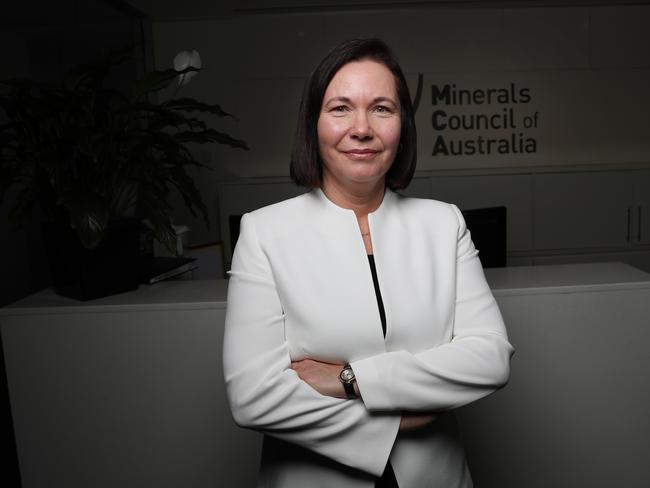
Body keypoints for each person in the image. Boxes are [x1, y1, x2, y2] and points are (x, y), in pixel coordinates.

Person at [223, 38, 514, 488]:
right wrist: (399, 422)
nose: (362, 128)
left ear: (402, 125)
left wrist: (348, 379)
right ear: (312, 124)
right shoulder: (264, 233)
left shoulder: (444, 223)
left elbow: (489, 359)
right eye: (340, 108)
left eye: (381, 108)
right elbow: (253, 397)